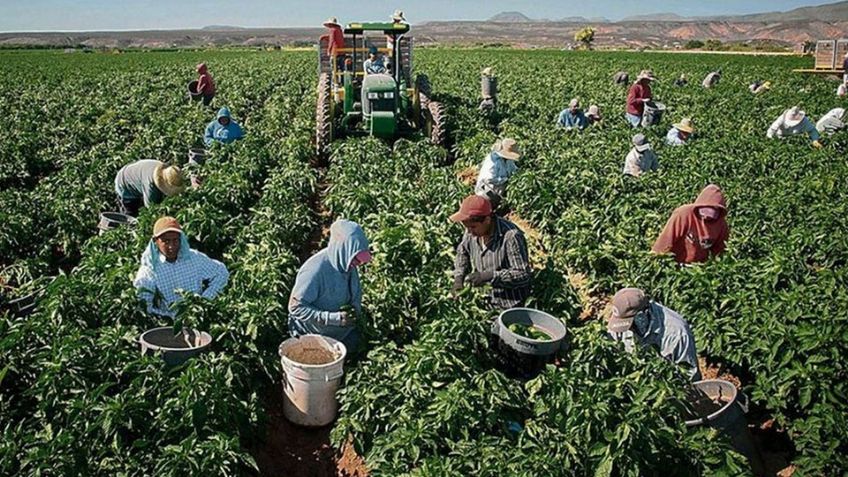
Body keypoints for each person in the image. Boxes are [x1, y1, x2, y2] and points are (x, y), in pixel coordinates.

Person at [288, 219, 371, 352]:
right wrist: (334, 319)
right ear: (343, 250)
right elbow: (296, 308)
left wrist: (355, 310)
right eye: (356, 258)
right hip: (314, 335)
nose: (359, 263)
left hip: (343, 333)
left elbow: (354, 291)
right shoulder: (314, 271)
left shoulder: (347, 263)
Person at [133, 216, 229, 318]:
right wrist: (169, 318)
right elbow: (145, 306)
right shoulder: (149, 269)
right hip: (168, 327)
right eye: (166, 241)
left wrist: (205, 300)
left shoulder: (193, 258)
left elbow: (221, 272)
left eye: (175, 240)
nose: (171, 246)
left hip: (198, 317)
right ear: (156, 241)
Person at [450, 195, 531, 310]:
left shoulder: (511, 236)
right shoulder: (470, 231)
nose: (469, 232)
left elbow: (523, 274)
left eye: (473, 227)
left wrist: (490, 276)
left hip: (508, 305)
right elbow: (462, 252)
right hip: (484, 301)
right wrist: (458, 278)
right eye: (467, 227)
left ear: (487, 220)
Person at [607, 288, 701, 381]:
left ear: (643, 314)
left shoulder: (676, 334)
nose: (628, 329)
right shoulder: (620, 320)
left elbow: (689, 376)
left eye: (630, 323)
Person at [652, 184, 729, 264]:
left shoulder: (721, 224)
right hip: (675, 261)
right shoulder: (683, 214)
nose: (706, 217)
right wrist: (655, 259)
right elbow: (667, 238)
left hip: (697, 266)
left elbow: (719, 250)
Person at [114, 160, 185, 216]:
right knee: (131, 215)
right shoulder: (150, 186)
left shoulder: (164, 170)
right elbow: (151, 210)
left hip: (134, 173)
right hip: (124, 184)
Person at [475, 138, 520, 209]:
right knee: (487, 208)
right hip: (486, 191)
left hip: (499, 191)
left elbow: (514, 169)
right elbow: (489, 179)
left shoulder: (508, 160)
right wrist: (505, 180)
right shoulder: (493, 161)